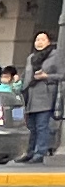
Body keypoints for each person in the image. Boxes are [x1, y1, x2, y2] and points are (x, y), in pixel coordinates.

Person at [27, 31, 62, 162]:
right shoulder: (31, 57)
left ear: (49, 41)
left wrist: (46, 77)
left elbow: (61, 75)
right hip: (31, 95)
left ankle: (40, 153)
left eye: (42, 39)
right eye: (37, 40)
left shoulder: (55, 56)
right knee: (31, 126)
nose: (39, 42)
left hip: (46, 95)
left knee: (42, 126)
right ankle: (29, 151)